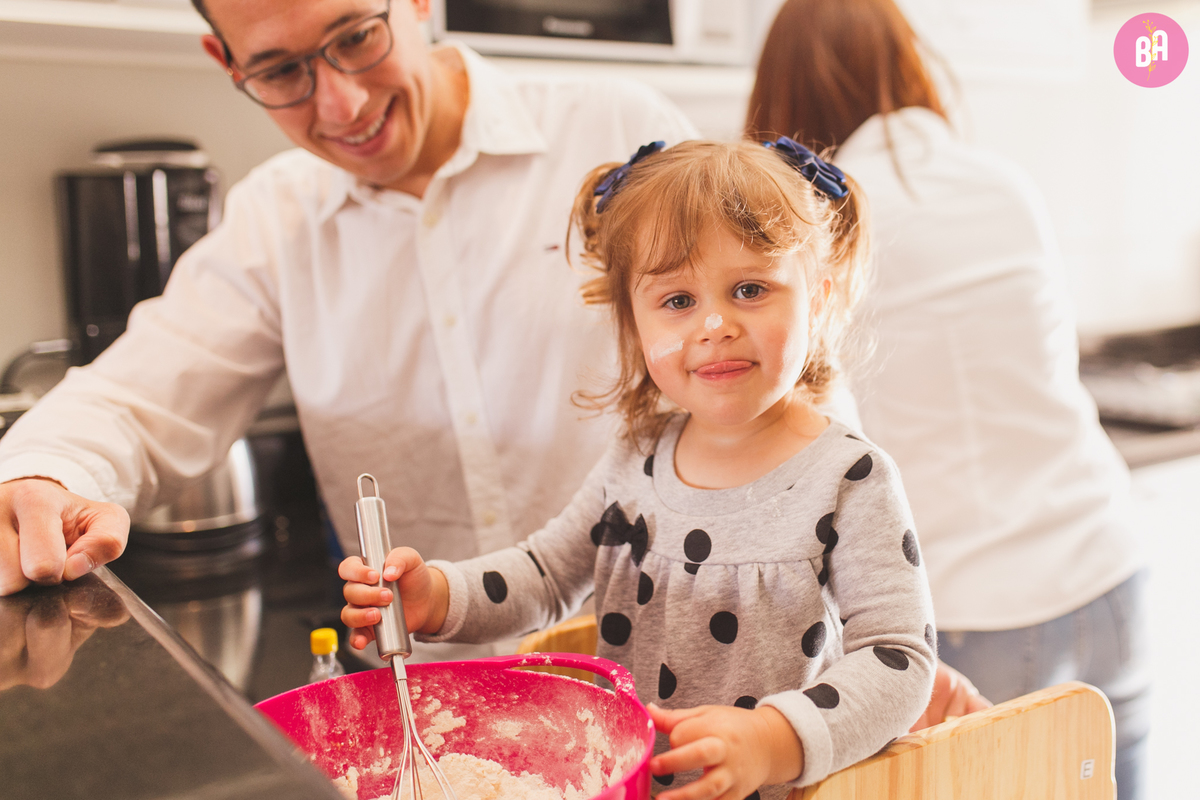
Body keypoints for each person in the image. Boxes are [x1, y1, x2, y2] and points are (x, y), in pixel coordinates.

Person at [0, 0, 696, 666]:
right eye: (278, 72)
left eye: (357, 36)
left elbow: (781, 362)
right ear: (227, 61)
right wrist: (43, 477)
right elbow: (133, 398)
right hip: (427, 700)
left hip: (674, 680)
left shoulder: (617, 130)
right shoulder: (278, 217)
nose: (343, 105)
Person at [341, 139, 937, 800]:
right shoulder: (638, 455)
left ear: (819, 298)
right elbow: (543, 576)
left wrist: (774, 740)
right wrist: (439, 596)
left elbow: (898, 661)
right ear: (632, 322)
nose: (715, 324)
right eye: (677, 301)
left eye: (750, 289)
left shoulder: (850, 478)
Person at [746, 1, 1149, 797]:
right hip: (1110, 570)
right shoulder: (1000, 181)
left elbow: (810, 433)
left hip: (982, 605)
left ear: (784, 92)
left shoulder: (823, 226)